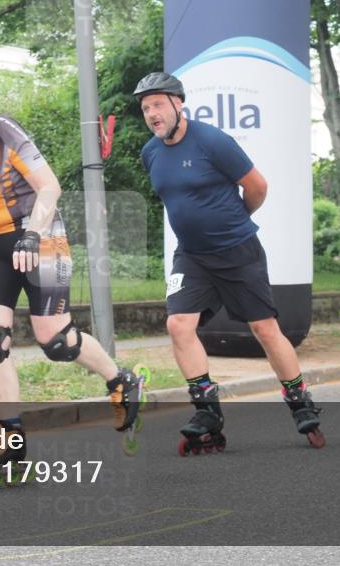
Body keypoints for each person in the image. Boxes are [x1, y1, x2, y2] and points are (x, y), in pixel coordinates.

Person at [0, 58, 144, 483]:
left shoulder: (3, 130)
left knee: (54, 341)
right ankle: (11, 436)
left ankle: (121, 379)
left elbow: (49, 186)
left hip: (39, 237)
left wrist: (32, 234)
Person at [134, 71, 324, 452]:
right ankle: (207, 410)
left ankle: (299, 402)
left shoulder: (212, 141)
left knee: (266, 329)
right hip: (191, 256)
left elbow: (257, 186)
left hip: (238, 251)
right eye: (145, 108)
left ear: (177, 103)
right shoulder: (150, 153)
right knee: (178, 325)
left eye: (157, 104)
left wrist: (235, 220)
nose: (152, 113)